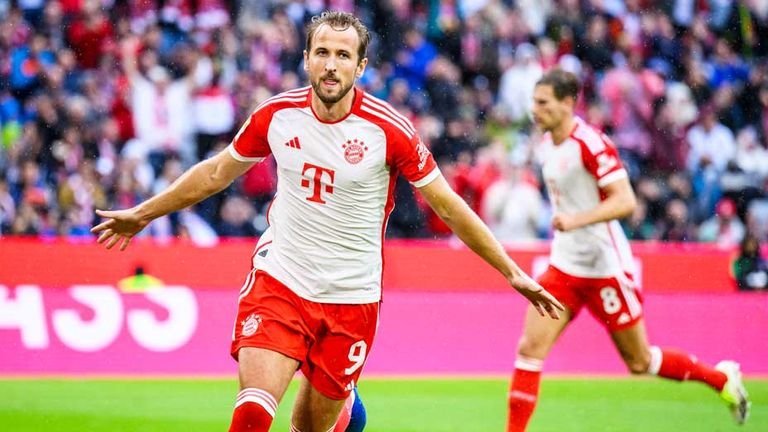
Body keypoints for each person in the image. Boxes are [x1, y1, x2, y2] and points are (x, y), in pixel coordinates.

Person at [91, 11, 564, 432]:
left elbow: (447, 206)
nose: (331, 65)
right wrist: (142, 214)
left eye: (343, 55)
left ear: (360, 67)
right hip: (281, 280)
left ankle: (345, 407)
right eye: (322, 53)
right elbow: (216, 173)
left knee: (310, 427)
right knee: (252, 414)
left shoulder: (389, 130)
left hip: (352, 298)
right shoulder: (277, 115)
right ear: (306, 59)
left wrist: (511, 271)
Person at [506, 68, 751, 432]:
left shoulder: (591, 144)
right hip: (564, 266)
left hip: (604, 266)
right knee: (529, 350)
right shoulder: (545, 144)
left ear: (568, 103)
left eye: (543, 103)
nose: (535, 109)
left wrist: (576, 220)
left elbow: (625, 201)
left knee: (639, 362)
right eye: (534, 102)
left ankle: (720, 379)